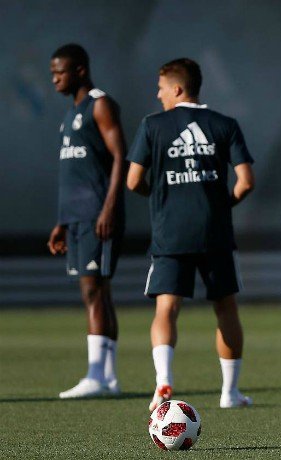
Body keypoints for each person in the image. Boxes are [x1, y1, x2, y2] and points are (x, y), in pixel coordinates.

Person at [126, 58, 255, 411]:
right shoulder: (225, 124)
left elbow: (133, 180)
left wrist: (159, 195)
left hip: (171, 233)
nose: (158, 94)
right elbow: (246, 182)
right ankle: (230, 393)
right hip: (214, 232)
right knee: (225, 308)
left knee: (166, 307)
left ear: (178, 89)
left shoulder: (152, 126)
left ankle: (163, 382)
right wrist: (221, 204)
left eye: (161, 87)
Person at [47, 43, 126, 399]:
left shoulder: (100, 104)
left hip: (98, 215)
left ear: (79, 70)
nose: (54, 79)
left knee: (94, 290)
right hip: (76, 218)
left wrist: (109, 208)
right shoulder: (70, 114)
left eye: (59, 72)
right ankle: (107, 377)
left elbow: (120, 156)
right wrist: (62, 221)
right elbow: (73, 172)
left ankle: (97, 375)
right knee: (95, 292)